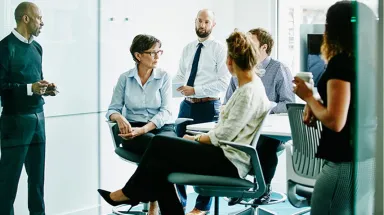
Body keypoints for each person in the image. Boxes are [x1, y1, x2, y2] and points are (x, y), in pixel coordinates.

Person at [98, 30, 270, 215]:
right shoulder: (251, 86)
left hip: (228, 161)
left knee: (160, 144)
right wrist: (196, 138)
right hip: (225, 155)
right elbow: (224, 133)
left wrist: (195, 139)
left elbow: (222, 136)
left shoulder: (247, 92)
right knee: (160, 160)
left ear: (229, 61)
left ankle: (129, 193)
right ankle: (138, 196)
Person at [293, 1, 376, 214]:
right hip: (368, 159)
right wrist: (317, 102)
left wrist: (309, 97)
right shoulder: (369, 63)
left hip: (343, 165)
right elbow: (353, 108)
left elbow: (335, 121)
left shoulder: (341, 63)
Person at [106, 34, 175, 215]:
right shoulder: (125, 79)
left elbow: (166, 111)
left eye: (159, 51)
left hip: (161, 128)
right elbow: (112, 109)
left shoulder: (164, 77)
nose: (157, 56)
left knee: (160, 146)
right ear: (138, 56)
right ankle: (155, 204)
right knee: (161, 151)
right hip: (133, 128)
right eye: (152, 52)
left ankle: (130, 193)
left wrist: (144, 129)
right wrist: (120, 118)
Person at [224, 28, 295, 204]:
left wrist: (262, 108)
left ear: (263, 47)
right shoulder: (240, 67)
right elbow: (227, 101)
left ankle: (263, 187)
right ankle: (236, 184)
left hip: (269, 128)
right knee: (227, 140)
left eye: (251, 42)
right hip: (244, 125)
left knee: (266, 143)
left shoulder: (279, 68)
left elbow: (288, 104)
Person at [0, 2, 58, 215]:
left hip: (38, 119)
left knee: (37, 181)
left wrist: (45, 88)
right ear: (26, 19)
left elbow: (35, 80)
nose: (42, 23)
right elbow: (1, 87)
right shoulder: (4, 48)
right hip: (14, 121)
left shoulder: (37, 47)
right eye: (39, 18)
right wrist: (29, 88)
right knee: (7, 183)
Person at [172, 9, 231, 214]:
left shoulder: (219, 49)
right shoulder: (188, 48)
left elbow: (224, 83)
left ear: (213, 25)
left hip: (209, 106)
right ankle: (179, 204)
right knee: (178, 153)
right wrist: (178, 86)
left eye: (207, 22)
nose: (202, 25)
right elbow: (180, 75)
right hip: (186, 105)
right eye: (199, 20)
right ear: (195, 21)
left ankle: (201, 207)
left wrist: (196, 90)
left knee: (208, 156)